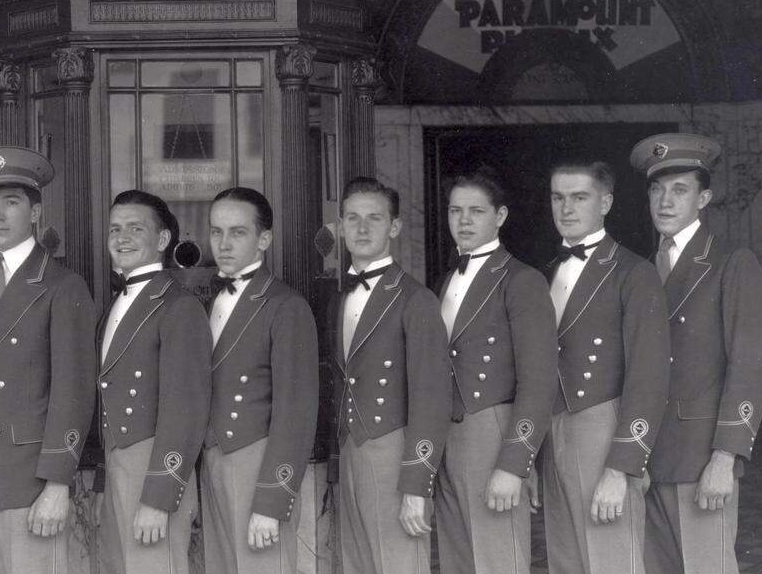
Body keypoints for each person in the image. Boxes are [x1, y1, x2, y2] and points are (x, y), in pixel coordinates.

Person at [0, 147, 98, 574]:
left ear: (35, 212)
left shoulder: (62, 285)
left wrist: (57, 483)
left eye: (11, 203)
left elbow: (74, 391)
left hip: (30, 478)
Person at [631, 134, 762, 574]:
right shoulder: (640, 270)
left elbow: (750, 365)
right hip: (646, 460)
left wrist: (725, 458)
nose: (665, 201)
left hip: (699, 459)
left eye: (680, 190)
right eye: (657, 189)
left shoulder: (732, 263)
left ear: (704, 197)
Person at [543, 161, 671, 574]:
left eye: (579, 197)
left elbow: (648, 377)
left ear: (606, 202)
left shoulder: (633, 272)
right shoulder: (548, 272)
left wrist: (622, 466)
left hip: (604, 428)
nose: (566, 208)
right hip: (553, 429)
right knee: (566, 560)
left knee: (611, 560)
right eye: (558, 197)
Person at [433, 167, 559, 574]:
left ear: (500, 216)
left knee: (498, 559)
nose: (463, 221)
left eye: (476, 211)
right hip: (447, 434)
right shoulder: (448, 279)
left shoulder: (522, 280)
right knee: (457, 558)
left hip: (492, 431)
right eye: (455, 211)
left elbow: (538, 380)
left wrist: (514, 463)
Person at [331, 176, 450, 574]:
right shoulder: (338, 296)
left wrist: (417, 484)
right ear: (340, 224)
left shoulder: (416, 299)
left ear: (394, 227)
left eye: (374, 219)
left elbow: (431, 399)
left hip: (394, 454)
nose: (362, 229)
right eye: (352, 218)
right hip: (349, 450)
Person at [199, 187, 318, 574]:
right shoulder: (210, 302)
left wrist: (272, 500)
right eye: (216, 232)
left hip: (257, 464)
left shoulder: (286, 306)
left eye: (238, 232)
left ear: (264, 239)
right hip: (213, 461)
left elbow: (295, 412)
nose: (224, 243)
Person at [97, 190, 212, 574]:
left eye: (135, 228)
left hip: (151, 472)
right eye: (115, 228)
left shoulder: (178, 306)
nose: (122, 237)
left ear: (163, 240)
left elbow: (186, 410)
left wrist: (160, 497)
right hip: (118, 466)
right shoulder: (118, 302)